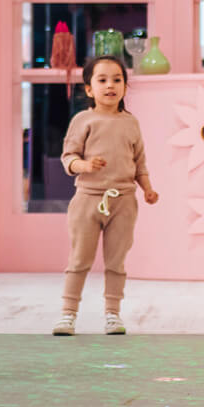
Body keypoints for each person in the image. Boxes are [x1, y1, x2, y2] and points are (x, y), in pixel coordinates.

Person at [53, 56, 158, 336]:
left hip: (123, 201)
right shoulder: (83, 120)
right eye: (102, 80)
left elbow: (139, 162)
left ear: (125, 86)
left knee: (116, 261)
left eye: (117, 79)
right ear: (89, 89)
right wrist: (85, 166)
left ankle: (113, 314)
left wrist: (147, 188)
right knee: (79, 260)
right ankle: (68, 314)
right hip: (88, 199)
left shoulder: (131, 123)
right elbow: (68, 157)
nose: (110, 85)